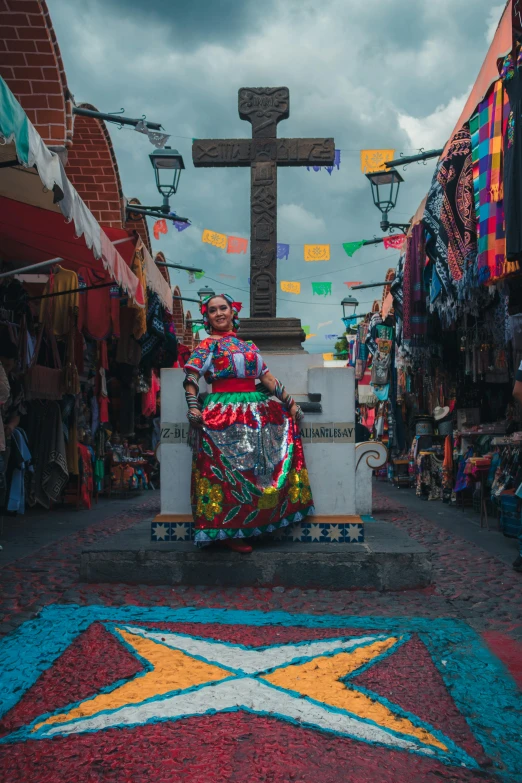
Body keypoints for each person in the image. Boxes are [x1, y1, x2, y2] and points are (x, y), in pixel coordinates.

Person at [183, 293, 313, 552]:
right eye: (212, 310)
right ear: (207, 317)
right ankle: (227, 530)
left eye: (223, 308)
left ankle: (257, 523)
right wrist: (194, 407)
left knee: (257, 471)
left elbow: (266, 378)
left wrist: (290, 403)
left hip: (257, 415)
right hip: (223, 416)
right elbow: (191, 376)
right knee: (227, 474)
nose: (219, 313)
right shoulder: (208, 345)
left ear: (233, 312)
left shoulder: (249, 346)